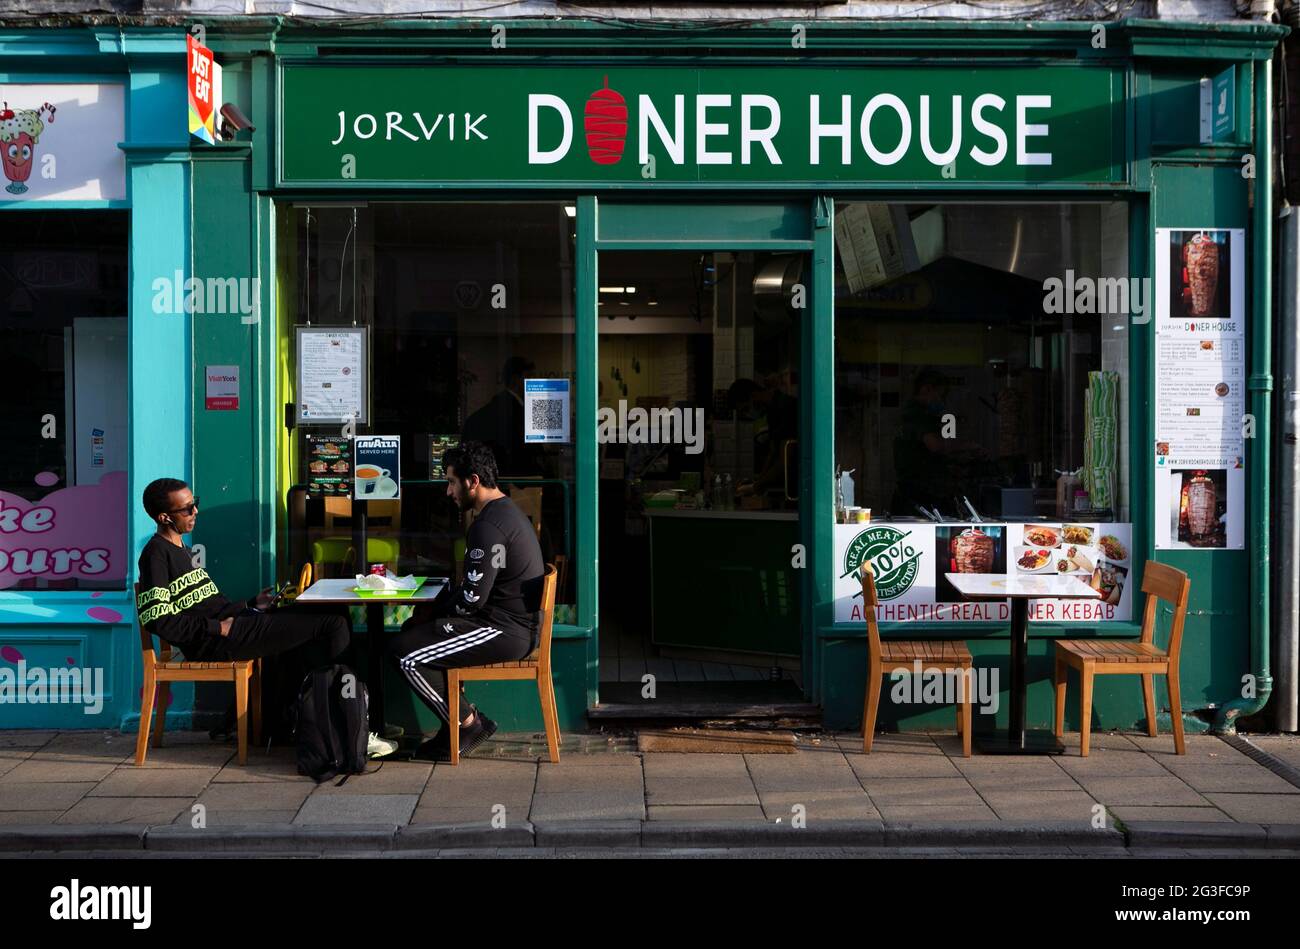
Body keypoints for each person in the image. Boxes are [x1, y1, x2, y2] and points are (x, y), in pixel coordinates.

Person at [135, 478, 396, 758]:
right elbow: (157, 619)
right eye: (187, 509)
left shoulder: (182, 548)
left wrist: (251, 604)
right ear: (164, 517)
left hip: (233, 627)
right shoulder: (156, 555)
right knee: (332, 623)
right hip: (217, 641)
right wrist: (217, 628)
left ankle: (337, 720)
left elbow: (208, 605)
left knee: (335, 611)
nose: (196, 512)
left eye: (195, 504)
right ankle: (349, 728)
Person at [386, 441, 544, 761]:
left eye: (451, 482)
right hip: (508, 625)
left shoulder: (488, 527)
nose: (449, 491)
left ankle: (467, 723)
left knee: (405, 654)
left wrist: (433, 612)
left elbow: (471, 600)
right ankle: (452, 730)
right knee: (419, 633)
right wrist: (434, 614)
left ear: (472, 481)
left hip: (504, 631)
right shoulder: (506, 511)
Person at [461, 355, 545, 477]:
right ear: (516, 379)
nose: (534, 383)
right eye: (530, 377)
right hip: (518, 484)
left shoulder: (486, 412)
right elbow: (527, 455)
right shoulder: (519, 414)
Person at [727, 375, 799, 500]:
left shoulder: (786, 408)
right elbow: (773, 451)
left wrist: (756, 486)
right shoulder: (773, 411)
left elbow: (785, 460)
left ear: (753, 396)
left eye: (745, 409)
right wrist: (758, 481)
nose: (748, 414)